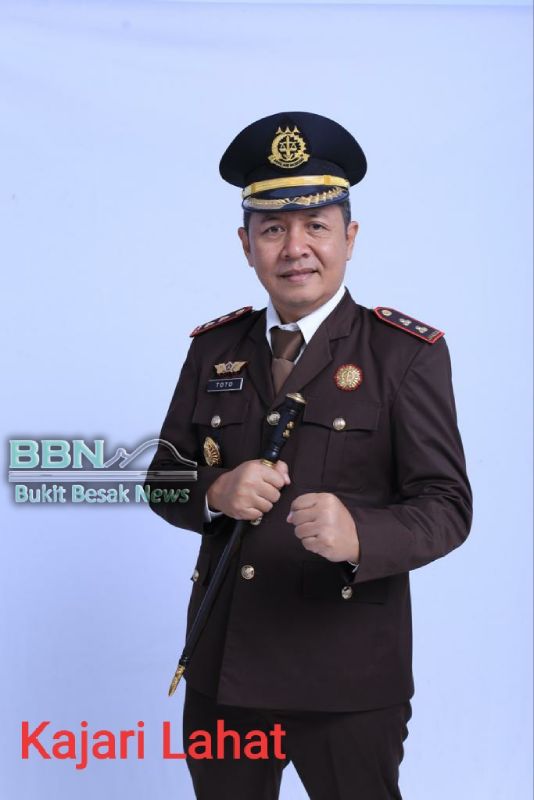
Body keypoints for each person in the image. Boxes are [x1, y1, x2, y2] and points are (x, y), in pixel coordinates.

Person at [146, 111, 472, 800]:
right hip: (227, 670)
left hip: (349, 677)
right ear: (246, 244)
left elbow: (447, 507)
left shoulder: (404, 356)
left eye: (316, 226)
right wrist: (214, 491)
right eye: (273, 229)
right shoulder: (213, 349)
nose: (295, 248)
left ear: (349, 237)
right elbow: (161, 478)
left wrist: (362, 534)